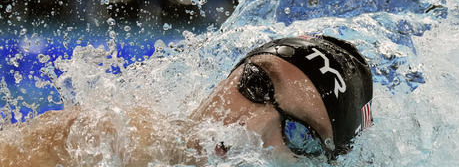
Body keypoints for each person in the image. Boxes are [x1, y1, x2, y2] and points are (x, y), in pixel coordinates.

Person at [0, 35, 373, 166]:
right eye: (257, 84)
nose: (251, 126)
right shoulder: (110, 144)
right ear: (229, 74)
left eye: (301, 134)